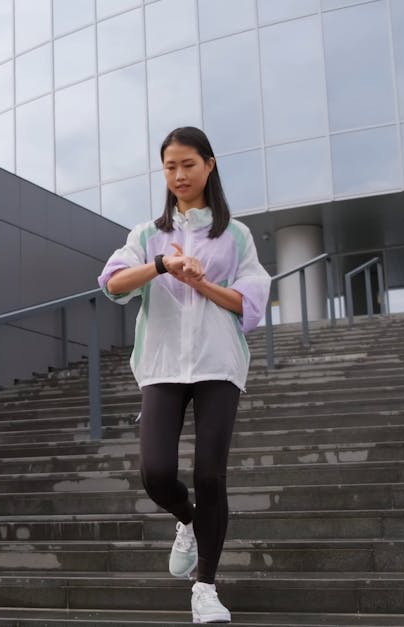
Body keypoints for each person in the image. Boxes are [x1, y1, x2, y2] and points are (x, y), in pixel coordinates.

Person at [97, 126, 271, 623]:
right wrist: (163, 265)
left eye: (188, 165)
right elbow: (112, 284)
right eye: (170, 166)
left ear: (209, 166)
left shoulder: (235, 235)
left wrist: (203, 281)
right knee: (156, 473)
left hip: (219, 365)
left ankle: (206, 588)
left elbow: (249, 303)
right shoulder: (146, 235)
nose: (178, 175)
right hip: (162, 365)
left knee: (211, 473)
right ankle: (188, 521)